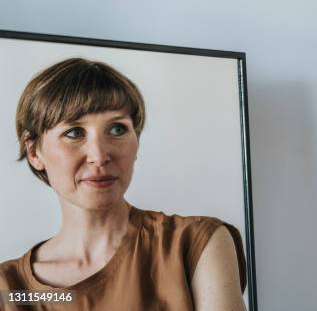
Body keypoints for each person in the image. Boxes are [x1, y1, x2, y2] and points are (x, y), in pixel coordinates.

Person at [0, 58, 246, 310]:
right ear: (34, 152)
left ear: (136, 143)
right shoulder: (10, 289)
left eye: (117, 129)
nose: (99, 155)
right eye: (74, 133)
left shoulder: (194, 244)